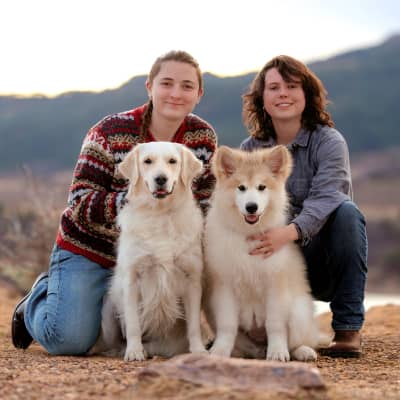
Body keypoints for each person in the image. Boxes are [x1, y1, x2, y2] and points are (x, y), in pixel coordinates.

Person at [11, 50, 217, 355]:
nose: (176, 93)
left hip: (162, 253)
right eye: (166, 83)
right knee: (70, 339)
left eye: (187, 86)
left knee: (170, 339)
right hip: (91, 251)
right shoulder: (109, 132)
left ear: (198, 94)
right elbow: (80, 202)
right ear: (150, 86)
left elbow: (205, 201)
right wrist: (137, 201)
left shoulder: (202, 137)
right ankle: (38, 299)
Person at [240, 55, 367, 357]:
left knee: (347, 213)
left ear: (306, 94)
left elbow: (327, 197)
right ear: (262, 98)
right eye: (274, 87)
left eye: (292, 86)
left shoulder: (329, 142)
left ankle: (347, 329)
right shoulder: (249, 149)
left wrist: (288, 233)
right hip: (269, 259)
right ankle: (244, 329)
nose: (283, 93)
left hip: (320, 261)